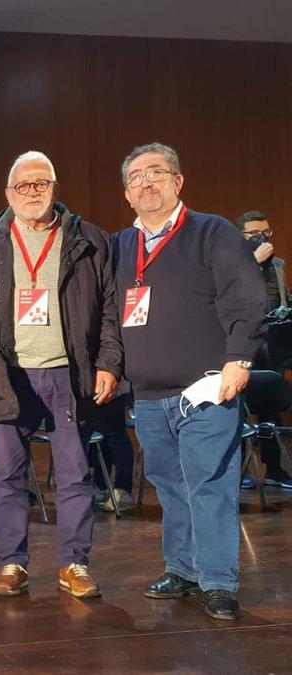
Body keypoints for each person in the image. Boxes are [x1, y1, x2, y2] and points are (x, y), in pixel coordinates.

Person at [0, 151, 122, 599]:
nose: (32, 192)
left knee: (74, 473)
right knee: (7, 474)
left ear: (55, 189)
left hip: (68, 373)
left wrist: (107, 363)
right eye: (23, 186)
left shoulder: (89, 240)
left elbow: (109, 311)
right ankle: (11, 563)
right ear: (8, 194)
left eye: (41, 184)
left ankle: (74, 564)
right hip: (7, 374)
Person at [113, 143, 266, 620]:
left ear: (178, 182)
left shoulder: (212, 232)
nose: (147, 183)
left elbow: (246, 297)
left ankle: (218, 580)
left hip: (205, 388)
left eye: (157, 173)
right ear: (126, 193)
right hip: (150, 394)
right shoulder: (121, 245)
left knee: (210, 485)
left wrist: (239, 359)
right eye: (136, 177)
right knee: (170, 487)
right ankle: (182, 568)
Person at [235, 210, 292, 491]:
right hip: (242, 350)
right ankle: (238, 470)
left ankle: (274, 469)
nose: (262, 238)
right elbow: (233, 297)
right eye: (255, 234)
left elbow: (281, 297)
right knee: (237, 412)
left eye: (266, 233)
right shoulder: (234, 264)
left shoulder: (278, 265)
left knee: (271, 412)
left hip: (272, 346)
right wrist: (253, 264)